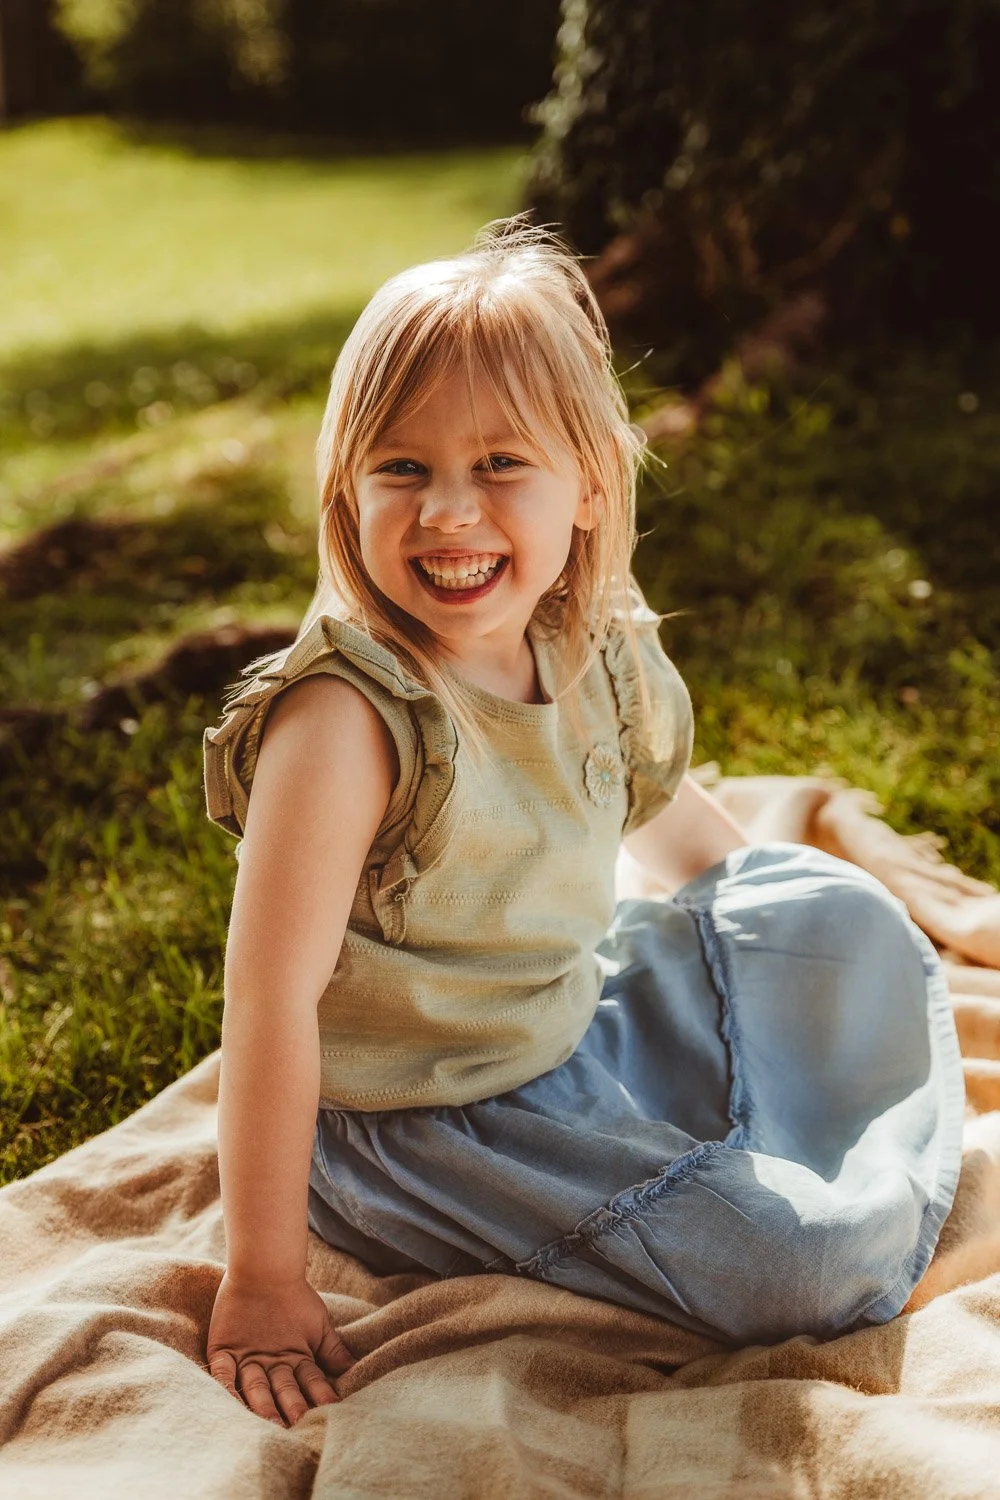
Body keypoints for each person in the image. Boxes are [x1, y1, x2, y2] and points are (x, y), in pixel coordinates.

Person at [201, 216, 965, 1428]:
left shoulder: (589, 643)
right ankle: (765, 1182)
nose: (449, 513)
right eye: (401, 469)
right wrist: (260, 1279)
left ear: (592, 482)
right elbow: (267, 1002)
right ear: (345, 486)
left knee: (831, 906)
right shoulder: (348, 719)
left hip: (567, 1015)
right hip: (433, 1124)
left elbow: (680, 836)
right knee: (793, 1264)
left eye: (500, 462)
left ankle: (769, 1108)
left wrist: (769, 943)